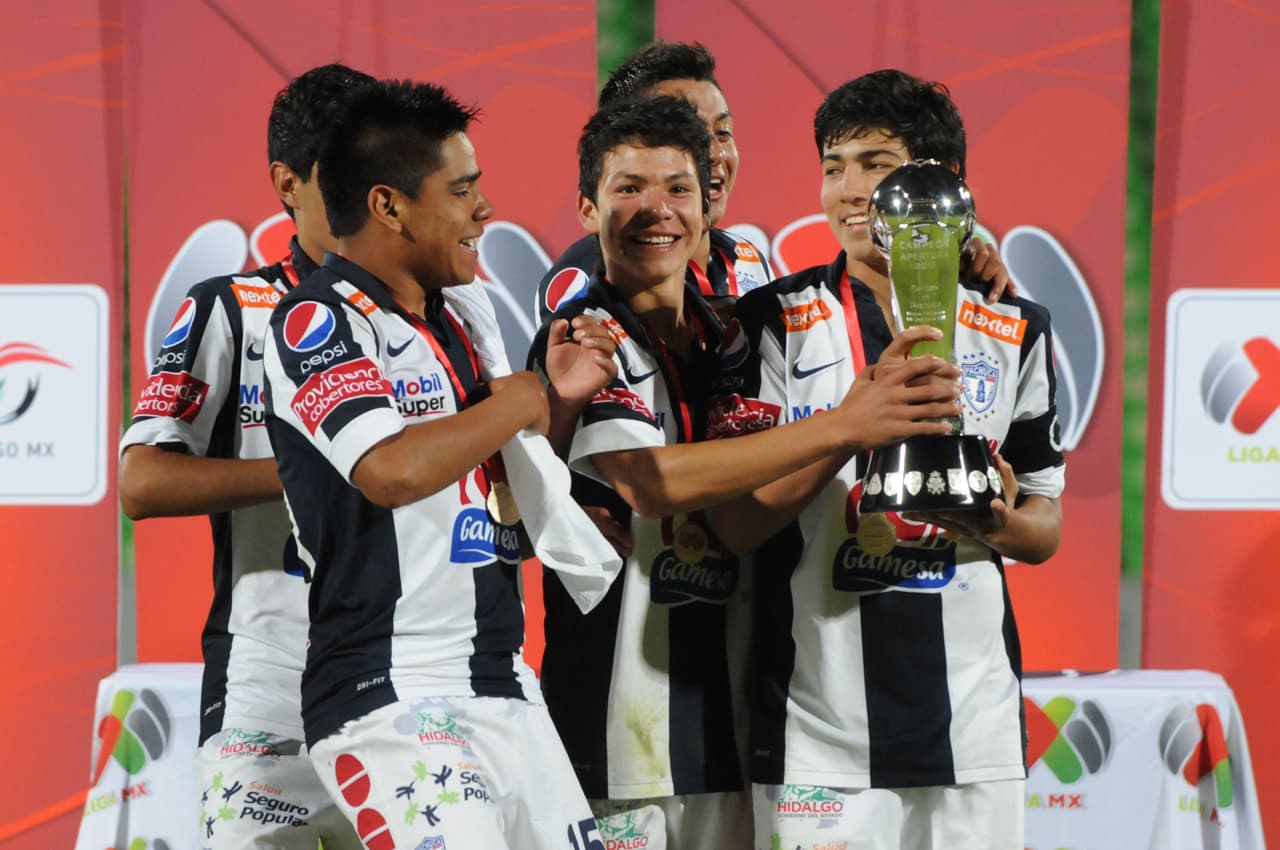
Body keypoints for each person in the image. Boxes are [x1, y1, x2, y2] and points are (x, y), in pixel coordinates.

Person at [528, 93, 966, 850]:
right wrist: (844, 427)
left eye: (677, 189)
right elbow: (650, 485)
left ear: (708, 206)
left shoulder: (733, 332)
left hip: (732, 725)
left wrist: (965, 254)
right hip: (618, 730)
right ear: (584, 205)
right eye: (627, 187)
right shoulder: (585, 336)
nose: (654, 210)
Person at [708, 69, 1065, 850]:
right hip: (816, 732)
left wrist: (996, 520)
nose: (849, 190)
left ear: (944, 187)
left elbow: (1046, 524)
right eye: (833, 167)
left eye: (875, 165)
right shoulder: (772, 322)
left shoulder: (1016, 327)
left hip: (973, 732)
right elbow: (732, 527)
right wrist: (846, 428)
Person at [261, 78, 619, 850]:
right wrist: (521, 397)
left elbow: (497, 471)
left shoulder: (466, 310)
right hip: (390, 695)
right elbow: (388, 470)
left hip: (504, 681)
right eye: (462, 192)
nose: (484, 211)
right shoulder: (315, 318)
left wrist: (552, 404)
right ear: (389, 206)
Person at [118, 63, 376, 850]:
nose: (364, 197)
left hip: (411, 686)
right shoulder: (232, 308)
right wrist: (316, 472)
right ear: (286, 183)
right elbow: (142, 480)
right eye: (340, 174)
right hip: (269, 684)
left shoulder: (437, 321)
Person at [536, 41, 772, 324]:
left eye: (723, 132)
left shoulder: (747, 259)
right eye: (688, 135)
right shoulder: (584, 278)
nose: (714, 153)